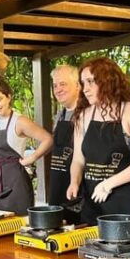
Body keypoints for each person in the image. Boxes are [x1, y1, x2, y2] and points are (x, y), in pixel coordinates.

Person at [66, 57, 130, 224]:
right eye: (83, 83)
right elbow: (78, 159)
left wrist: (108, 184)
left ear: (108, 81)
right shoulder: (84, 115)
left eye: (91, 82)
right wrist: (74, 182)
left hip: (127, 201)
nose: (85, 89)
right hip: (94, 200)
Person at [0, 77, 53, 215]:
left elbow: (48, 139)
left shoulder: (20, 121)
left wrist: (32, 158)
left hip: (17, 184)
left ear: (9, 97)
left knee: (19, 223)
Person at [48, 64, 82, 224]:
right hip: (58, 181)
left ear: (77, 85)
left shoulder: (86, 113)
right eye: (55, 85)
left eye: (63, 84)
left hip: (78, 187)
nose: (58, 89)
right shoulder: (60, 115)